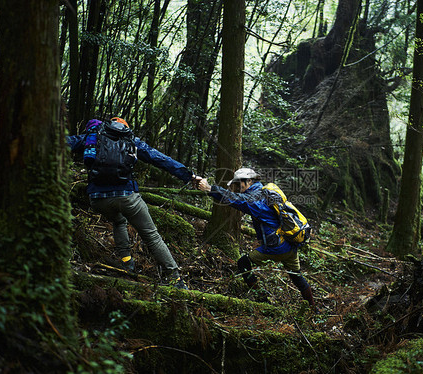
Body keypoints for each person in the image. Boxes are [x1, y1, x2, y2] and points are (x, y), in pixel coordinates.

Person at [67, 117, 193, 289]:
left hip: (97, 199)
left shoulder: (93, 136)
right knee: (152, 236)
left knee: (118, 221)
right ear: (125, 128)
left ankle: (127, 262)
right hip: (128, 198)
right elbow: (159, 158)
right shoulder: (131, 139)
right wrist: (188, 175)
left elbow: (65, 142)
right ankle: (175, 278)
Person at [196, 168, 315, 306]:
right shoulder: (265, 192)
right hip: (289, 244)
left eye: (238, 183)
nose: (237, 187)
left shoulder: (255, 199)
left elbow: (235, 200)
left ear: (249, 181)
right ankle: (313, 308)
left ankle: (262, 299)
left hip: (277, 248)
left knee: (243, 263)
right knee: (296, 276)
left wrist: (210, 188)